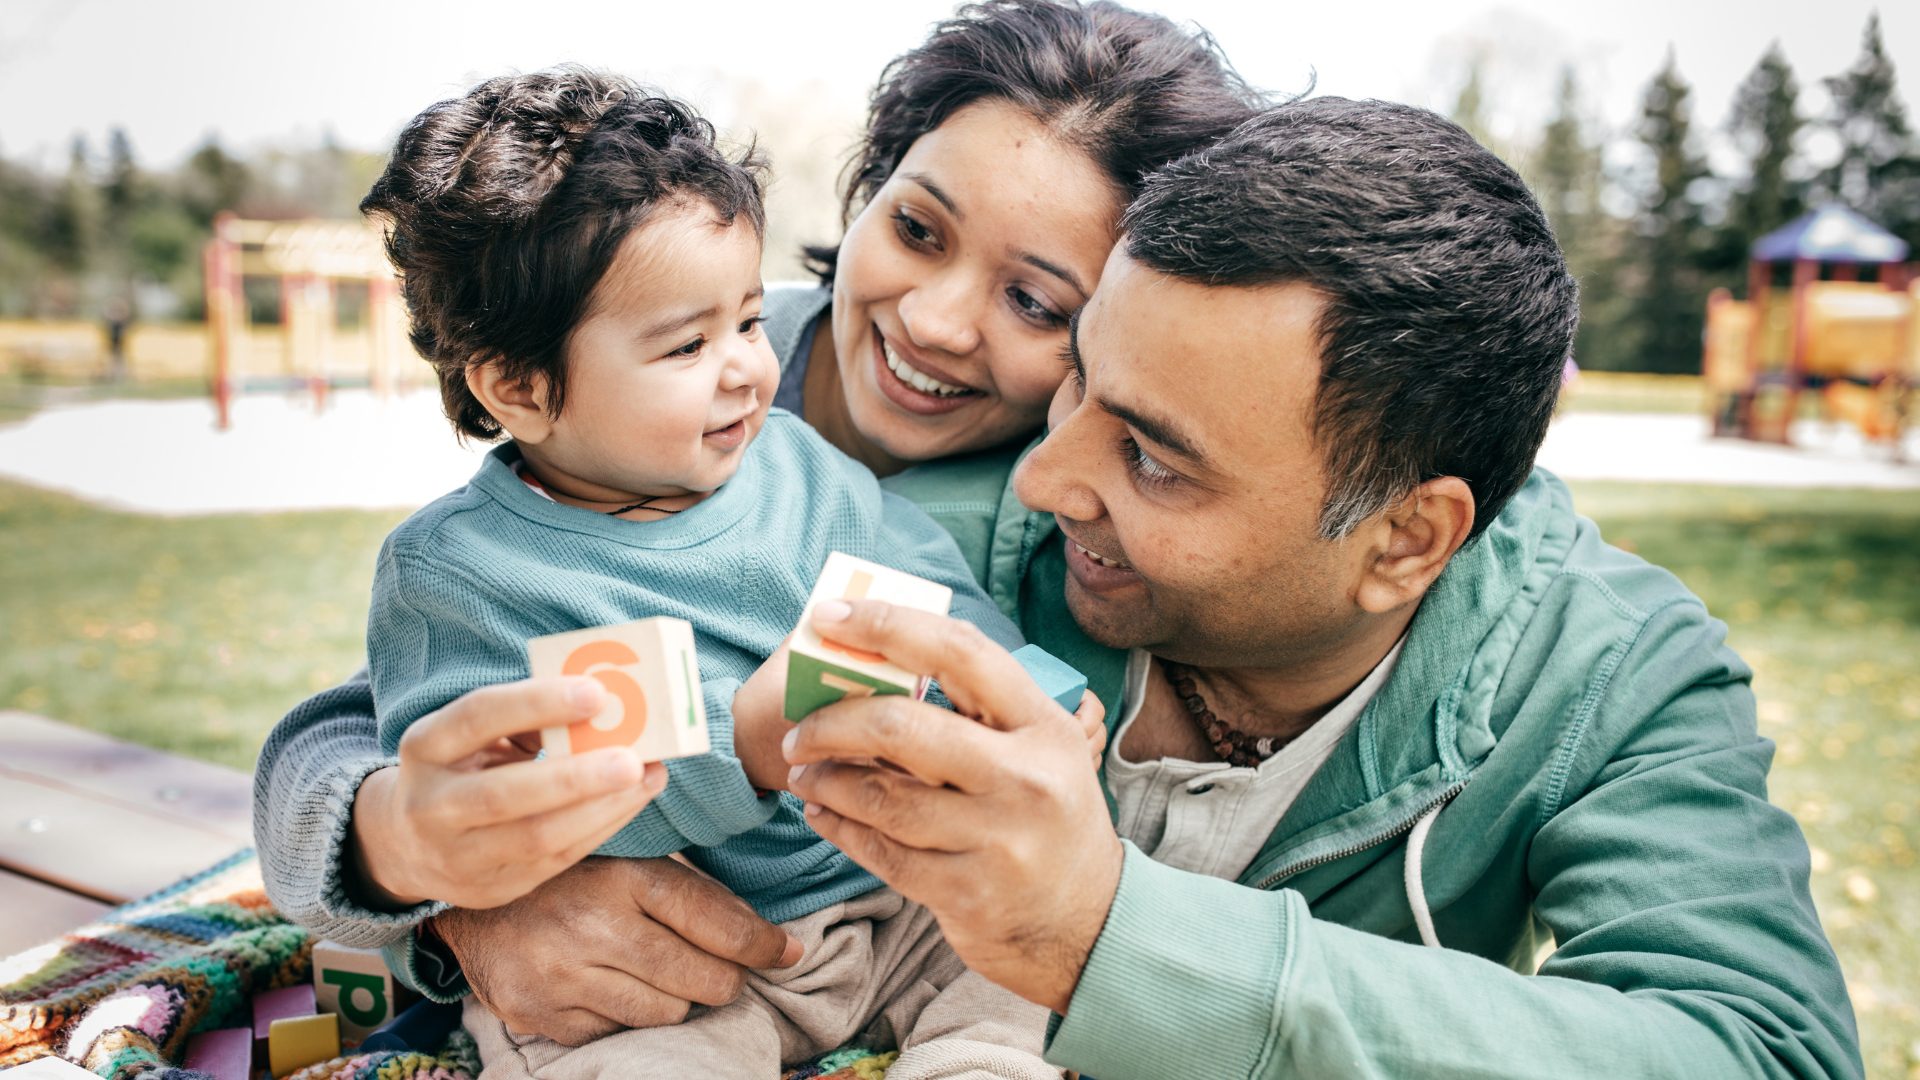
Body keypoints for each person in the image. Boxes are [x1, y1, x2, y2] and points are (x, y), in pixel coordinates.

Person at [775, 99, 1864, 1078]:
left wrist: (1107, 931)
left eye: (1155, 458)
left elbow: (1763, 1049)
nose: (1045, 476)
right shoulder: (934, 542)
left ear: (1405, 540)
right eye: (1079, 378)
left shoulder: (1607, 673)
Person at [251, 0, 1263, 1049]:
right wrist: (439, 885)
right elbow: (394, 744)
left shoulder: (967, 483)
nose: (932, 320)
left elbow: (964, 636)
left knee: (1009, 988)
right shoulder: (632, 348)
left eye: (1037, 303)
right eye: (917, 229)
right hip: (705, 959)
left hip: (893, 907)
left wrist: (1035, 703)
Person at [352, 69, 1085, 1077]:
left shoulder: (794, 464)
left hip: (884, 904)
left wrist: (1032, 697)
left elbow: (938, 603)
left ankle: (972, 1058)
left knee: (1012, 953)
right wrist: (742, 743)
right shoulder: (465, 575)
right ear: (519, 387)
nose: (746, 366)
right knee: (604, 1047)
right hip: (679, 958)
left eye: (746, 321)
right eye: (689, 344)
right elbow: (504, 816)